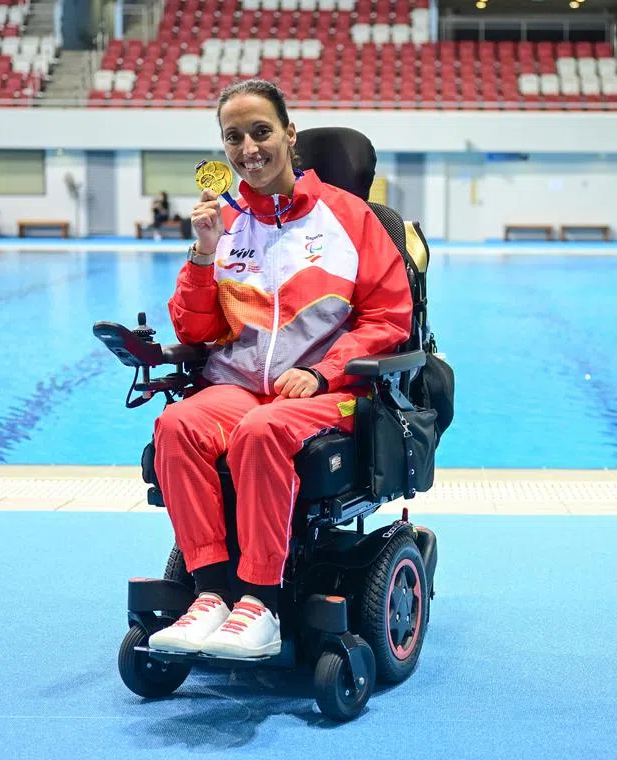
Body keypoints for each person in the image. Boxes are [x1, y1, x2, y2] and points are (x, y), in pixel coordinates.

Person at [147, 79, 412, 659]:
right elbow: (195, 333)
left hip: (330, 393)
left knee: (262, 431)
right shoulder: (226, 223)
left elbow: (389, 317)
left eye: (261, 131)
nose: (249, 148)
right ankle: (212, 595)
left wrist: (324, 373)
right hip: (241, 388)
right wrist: (203, 254)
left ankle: (262, 603)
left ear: (290, 135)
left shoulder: (351, 219)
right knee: (176, 426)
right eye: (233, 137)